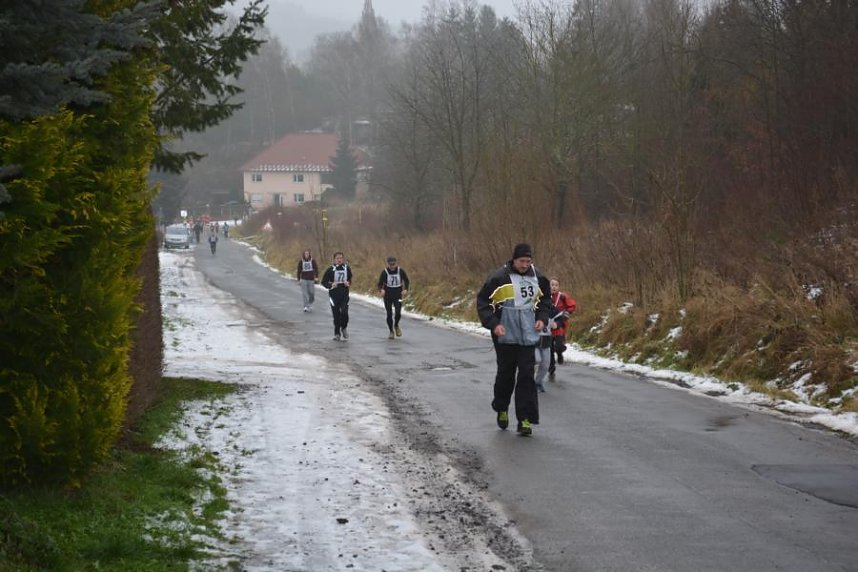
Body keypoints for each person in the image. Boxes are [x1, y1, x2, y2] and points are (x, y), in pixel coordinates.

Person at [476, 243, 551, 436]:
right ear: (514, 259)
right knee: (506, 375)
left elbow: (545, 302)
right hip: (505, 334)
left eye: (528, 261)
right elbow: (484, 302)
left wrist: (542, 319)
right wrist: (494, 324)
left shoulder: (539, 277)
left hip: (528, 334)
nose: (525, 264)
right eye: (521, 261)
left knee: (526, 376)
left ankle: (524, 419)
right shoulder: (499, 277)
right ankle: (502, 408)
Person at [321, 251, 352, 341]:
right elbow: (323, 282)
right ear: (334, 259)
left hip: (344, 294)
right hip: (334, 296)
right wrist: (331, 285)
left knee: (345, 313)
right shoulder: (330, 269)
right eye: (337, 258)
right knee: (336, 315)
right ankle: (337, 333)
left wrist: (348, 283)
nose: (339, 260)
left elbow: (350, 279)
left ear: (343, 259)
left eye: (341, 258)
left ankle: (344, 327)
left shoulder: (347, 268)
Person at [548, 278, 577, 376]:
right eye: (552, 285)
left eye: (556, 285)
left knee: (559, 346)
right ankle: (551, 368)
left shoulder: (562, 296)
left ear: (559, 286)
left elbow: (571, 306)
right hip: (548, 326)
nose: (554, 287)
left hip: (559, 325)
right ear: (549, 286)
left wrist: (566, 314)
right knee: (549, 348)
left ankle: (559, 354)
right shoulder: (545, 296)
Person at [377, 256, 410, 339]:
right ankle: (391, 331)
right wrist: (381, 290)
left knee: (398, 312)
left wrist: (406, 289)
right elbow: (380, 284)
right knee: (389, 314)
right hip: (388, 295)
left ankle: (396, 325)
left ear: (396, 263)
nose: (392, 266)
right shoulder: (384, 272)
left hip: (398, 295)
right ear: (388, 264)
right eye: (390, 264)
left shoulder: (400, 271)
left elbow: (406, 280)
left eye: (393, 264)